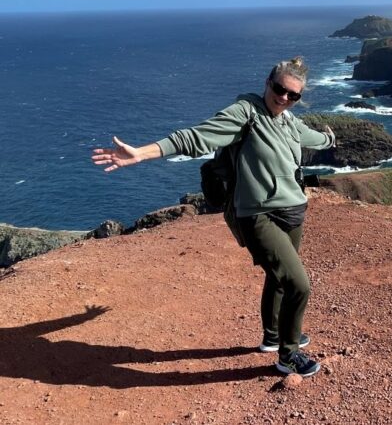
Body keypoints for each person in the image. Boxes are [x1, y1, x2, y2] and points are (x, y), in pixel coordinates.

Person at [91, 56, 335, 377]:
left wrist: (330, 138)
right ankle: (288, 355)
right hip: (257, 214)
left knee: (279, 278)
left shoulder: (288, 121)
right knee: (298, 284)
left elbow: (311, 137)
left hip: (292, 211)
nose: (285, 98)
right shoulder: (245, 114)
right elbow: (195, 137)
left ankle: (273, 336)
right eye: (280, 89)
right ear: (267, 83)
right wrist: (142, 153)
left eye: (294, 95)